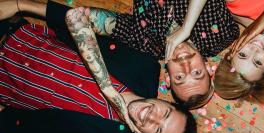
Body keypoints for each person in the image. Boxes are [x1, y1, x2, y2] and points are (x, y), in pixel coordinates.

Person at [0, 0, 240, 109]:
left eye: (180, 78)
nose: (185, 65)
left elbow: (93, 21)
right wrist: (186, 27)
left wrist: (24, 5)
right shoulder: (221, 34)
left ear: (167, 79)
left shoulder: (146, 45)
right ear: (209, 67)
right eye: (197, 73)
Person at [0, 22, 197, 133]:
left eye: (157, 130)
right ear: (167, 102)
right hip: (18, 36)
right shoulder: (144, 67)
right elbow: (79, 21)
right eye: (165, 113)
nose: (152, 118)